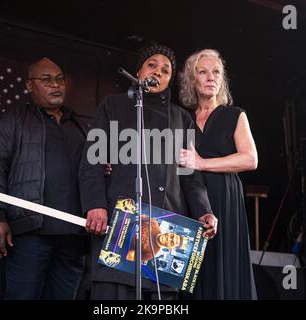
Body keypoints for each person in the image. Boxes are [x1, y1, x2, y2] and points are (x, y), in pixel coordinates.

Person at [79, 43, 217, 300]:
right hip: (119, 224)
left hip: (166, 230)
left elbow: (191, 176)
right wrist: (95, 205)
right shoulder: (113, 106)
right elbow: (92, 161)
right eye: (152, 65)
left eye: (166, 70)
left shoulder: (181, 118)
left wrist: (203, 210)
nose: (158, 72)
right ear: (138, 71)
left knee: (160, 299)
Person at [0, 58, 89, 300]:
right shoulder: (13, 121)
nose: (56, 85)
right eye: (46, 80)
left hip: (74, 237)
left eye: (60, 79)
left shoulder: (82, 126)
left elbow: (94, 172)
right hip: (30, 232)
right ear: (30, 86)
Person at [179, 49, 258, 299]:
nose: (211, 77)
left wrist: (202, 164)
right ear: (192, 79)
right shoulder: (182, 118)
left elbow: (250, 159)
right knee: (193, 273)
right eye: (203, 72)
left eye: (216, 72)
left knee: (225, 268)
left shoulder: (235, 115)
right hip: (189, 200)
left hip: (225, 198)